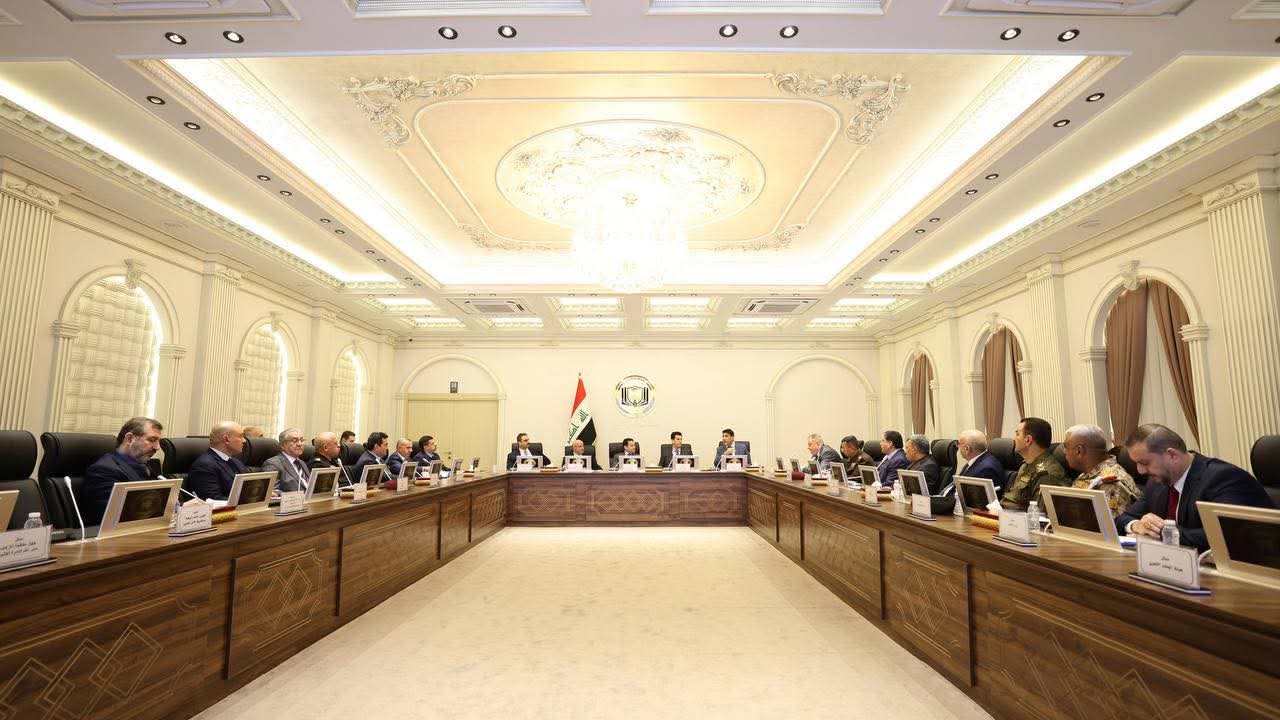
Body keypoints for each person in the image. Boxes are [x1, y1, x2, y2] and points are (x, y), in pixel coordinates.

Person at [1117, 423, 1273, 550]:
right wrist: (1137, 526)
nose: (1140, 471)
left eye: (1144, 463)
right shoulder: (1157, 483)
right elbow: (1123, 519)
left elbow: (1225, 536)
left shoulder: (1224, 478)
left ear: (1173, 455)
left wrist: (1161, 533)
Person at [82, 417, 163, 525]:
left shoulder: (149, 467)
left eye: (158, 441)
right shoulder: (104, 470)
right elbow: (114, 516)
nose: (157, 447)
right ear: (129, 439)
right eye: (152, 440)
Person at [1062, 424, 1140, 518]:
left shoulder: (1111, 484)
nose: (1064, 451)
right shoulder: (1087, 474)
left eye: (1066, 447)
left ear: (1079, 451)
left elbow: (1111, 525)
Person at [1001, 417, 1069, 511]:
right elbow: (1014, 498)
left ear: (1028, 440)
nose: (1014, 439)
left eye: (1017, 434)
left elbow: (1039, 514)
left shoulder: (1046, 474)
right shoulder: (1025, 465)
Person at [187, 421, 249, 501]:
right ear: (226, 439)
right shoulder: (204, 466)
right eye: (240, 436)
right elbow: (213, 500)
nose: (244, 441)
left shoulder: (237, 462)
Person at [262, 427, 309, 493]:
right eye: (294, 441)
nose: (300, 444)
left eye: (301, 440)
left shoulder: (302, 463)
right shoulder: (273, 464)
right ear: (282, 445)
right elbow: (272, 492)